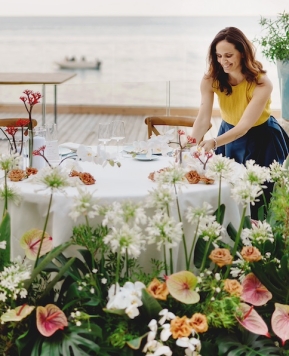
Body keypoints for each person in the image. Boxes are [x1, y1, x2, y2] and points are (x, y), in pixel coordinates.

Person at [191, 27, 289, 218]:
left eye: (228, 55)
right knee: (226, 194)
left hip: (262, 138)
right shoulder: (211, 78)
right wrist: (189, 146)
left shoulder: (262, 83)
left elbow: (244, 127)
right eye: (218, 56)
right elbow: (203, 118)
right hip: (228, 134)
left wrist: (214, 142)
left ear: (243, 53)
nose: (223, 61)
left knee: (259, 201)